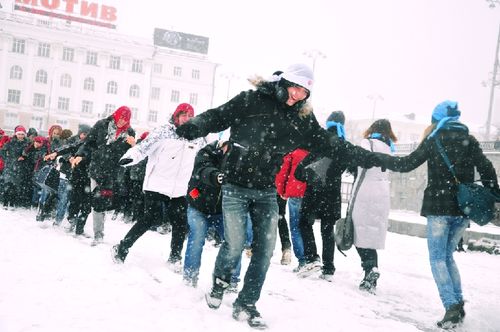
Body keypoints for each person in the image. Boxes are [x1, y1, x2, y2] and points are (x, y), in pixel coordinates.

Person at [175, 64, 379, 329]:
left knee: (264, 250)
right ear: (285, 83)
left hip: (266, 191)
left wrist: (372, 157)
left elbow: (329, 143)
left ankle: (246, 304)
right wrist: (194, 126)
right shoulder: (250, 101)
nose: (297, 96)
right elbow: (216, 116)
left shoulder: (302, 118)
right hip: (236, 186)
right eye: (295, 88)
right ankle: (221, 282)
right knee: (235, 243)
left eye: (304, 93)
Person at [375, 101, 499, 328]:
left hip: (439, 209)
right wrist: (494, 195)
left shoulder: (434, 140)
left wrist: (379, 159)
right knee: (448, 256)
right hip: (463, 208)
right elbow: (487, 169)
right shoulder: (469, 141)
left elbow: (406, 164)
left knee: (437, 258)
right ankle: (458, 304)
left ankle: (451, 307)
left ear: (437, 120)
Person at [112, 103, 205, 268]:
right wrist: (131, 157)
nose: (187, 119)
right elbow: (143, 147)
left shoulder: (197, 137)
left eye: (190, 116)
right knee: (149, 219)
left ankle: (175, 257)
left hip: (179, 189)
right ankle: (122, 248)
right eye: (183, 115)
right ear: (176, 116)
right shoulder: (164, 131)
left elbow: (205, 156)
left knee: (179, 223)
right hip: (156, 183)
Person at [295, 111, 353, 282]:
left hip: (314, 192)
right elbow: (349, 168)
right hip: (332, 195)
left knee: (304, 223)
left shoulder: (320, 141)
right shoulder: (345, 146)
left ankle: (313, 258)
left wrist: (309, 175)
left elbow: (300, 171)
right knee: (327, 231)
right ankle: (328, 268)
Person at [183, 139, 243, 290]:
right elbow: (202, 170)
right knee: (196, 240)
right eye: (226, 148)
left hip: (222, 211)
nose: (228, 152)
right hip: (198, 207)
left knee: (234, 243)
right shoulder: (206, 152)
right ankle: (190, 278)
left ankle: (232, 281)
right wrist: (216, 176)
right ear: (221, 145)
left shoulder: (239, 158)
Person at [71, 106, 135, 245]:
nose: (122, 121)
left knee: (106, 203)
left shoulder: (130, 133)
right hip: (97, 170)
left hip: (113, 174)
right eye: (121, 117)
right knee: (97, 202)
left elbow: (130, 157)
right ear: (116, 115)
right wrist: (80, 155)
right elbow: (88, 143)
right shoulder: (101, 125)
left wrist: (133, 147)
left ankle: (95, 227)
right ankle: (98, 235)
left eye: (126, 119)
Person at [348, 119, 397, 292]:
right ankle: (371, 274)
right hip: (382, 191)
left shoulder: (366, 143)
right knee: (371, 233)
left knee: (357, 231)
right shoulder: (390, 148)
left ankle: (369, 268)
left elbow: (357, 164)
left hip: (365, 189)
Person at [275, 147, 309, 270]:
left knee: (296, 227)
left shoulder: (294, 152)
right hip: (311, 192)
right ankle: (312, 257)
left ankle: (303, 260)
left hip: (296, 192)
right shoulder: (317, 150)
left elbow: (283, 172)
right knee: (307, 226)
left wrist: (281, 191)